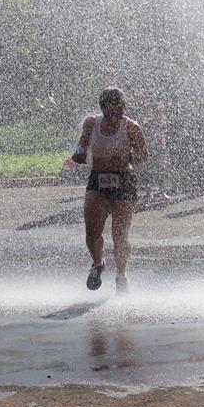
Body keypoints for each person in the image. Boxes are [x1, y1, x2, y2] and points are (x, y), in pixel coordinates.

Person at [63, 87, 149, 294]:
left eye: (118, 113)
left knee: (119, 235)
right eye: (110, 114)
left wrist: (128, 158)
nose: (114, 118)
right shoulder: (92, 123)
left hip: (124, 180)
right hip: (98, 181)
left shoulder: (131, 127)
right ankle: (97, 263)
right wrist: (79, 155)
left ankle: (121, 276)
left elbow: (144, 155)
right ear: (102, 109)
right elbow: (80, 149)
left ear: (124, 108)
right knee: (92, 231)